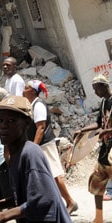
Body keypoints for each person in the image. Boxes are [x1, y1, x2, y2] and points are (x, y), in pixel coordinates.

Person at [0, 95, 73, 223]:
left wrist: (4, 216)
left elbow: (44, 199)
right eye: (0, 120)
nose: (3, 126)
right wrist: (2, 204)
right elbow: (26, 195)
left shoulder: (30, 153)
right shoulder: (14, 155)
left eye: (11, 121)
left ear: (26, 124)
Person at [76, 73, 112, 223]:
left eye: (96, 88)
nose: (95, 92)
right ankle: (98, 220)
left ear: (105, 86)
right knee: (97, 185)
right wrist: (83, 130)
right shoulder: (104, 103)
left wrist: (108, 132)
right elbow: (99, 124)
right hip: (105, 151)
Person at [23, 80, 78, 214]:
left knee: (55, 174)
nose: (23, 90)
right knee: (46, 175)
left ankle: (70, 202)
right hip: (40, 145)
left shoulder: (39, 105)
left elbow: (40, 128)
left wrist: (33, 148)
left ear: (33, 91)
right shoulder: (32, 105)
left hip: (45, 145)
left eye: (26, 88)